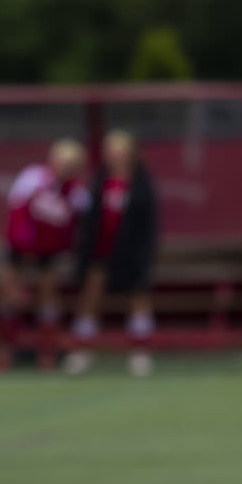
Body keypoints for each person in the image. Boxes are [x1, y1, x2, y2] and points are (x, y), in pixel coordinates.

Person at [66, 131, 161, 377]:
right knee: (90, 297)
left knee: (139, 298)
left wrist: (146, 254)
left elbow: (148, 224)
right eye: (111, 151)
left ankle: (140, 353)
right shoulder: (100, 181)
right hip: (101, 252)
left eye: (119, 151)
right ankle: (83, 351)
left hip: (132, 253)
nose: (115, 156)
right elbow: (90, 219)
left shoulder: (142, 183)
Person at [0, 139, 89, 370]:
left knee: (48, 296)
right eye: (62, 161)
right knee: (10, 294)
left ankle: (48, 350)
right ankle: (5, 349)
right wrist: (25, 248)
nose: (65, 167)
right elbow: (16, 213)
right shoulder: (32, 177)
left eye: (71, 164)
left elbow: (78, 229)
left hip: (49, 253)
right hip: (19, 248)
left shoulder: (77, 194)